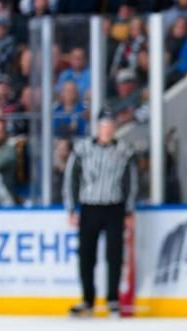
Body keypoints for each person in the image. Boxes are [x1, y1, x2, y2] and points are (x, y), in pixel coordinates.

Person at [63, 112, 138, 317]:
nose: (107, 129)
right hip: (89, 206)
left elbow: (131, 181)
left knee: (114, 255)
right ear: (97, 128)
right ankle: (88, 299)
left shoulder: (124, 150)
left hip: (114, 206)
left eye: (110, 125)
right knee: (86, 255)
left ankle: (112, 298)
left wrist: (129, 210)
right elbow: (71, 178)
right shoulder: (82, 149)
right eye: (103, 125)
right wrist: (70, 208)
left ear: (114, 128)